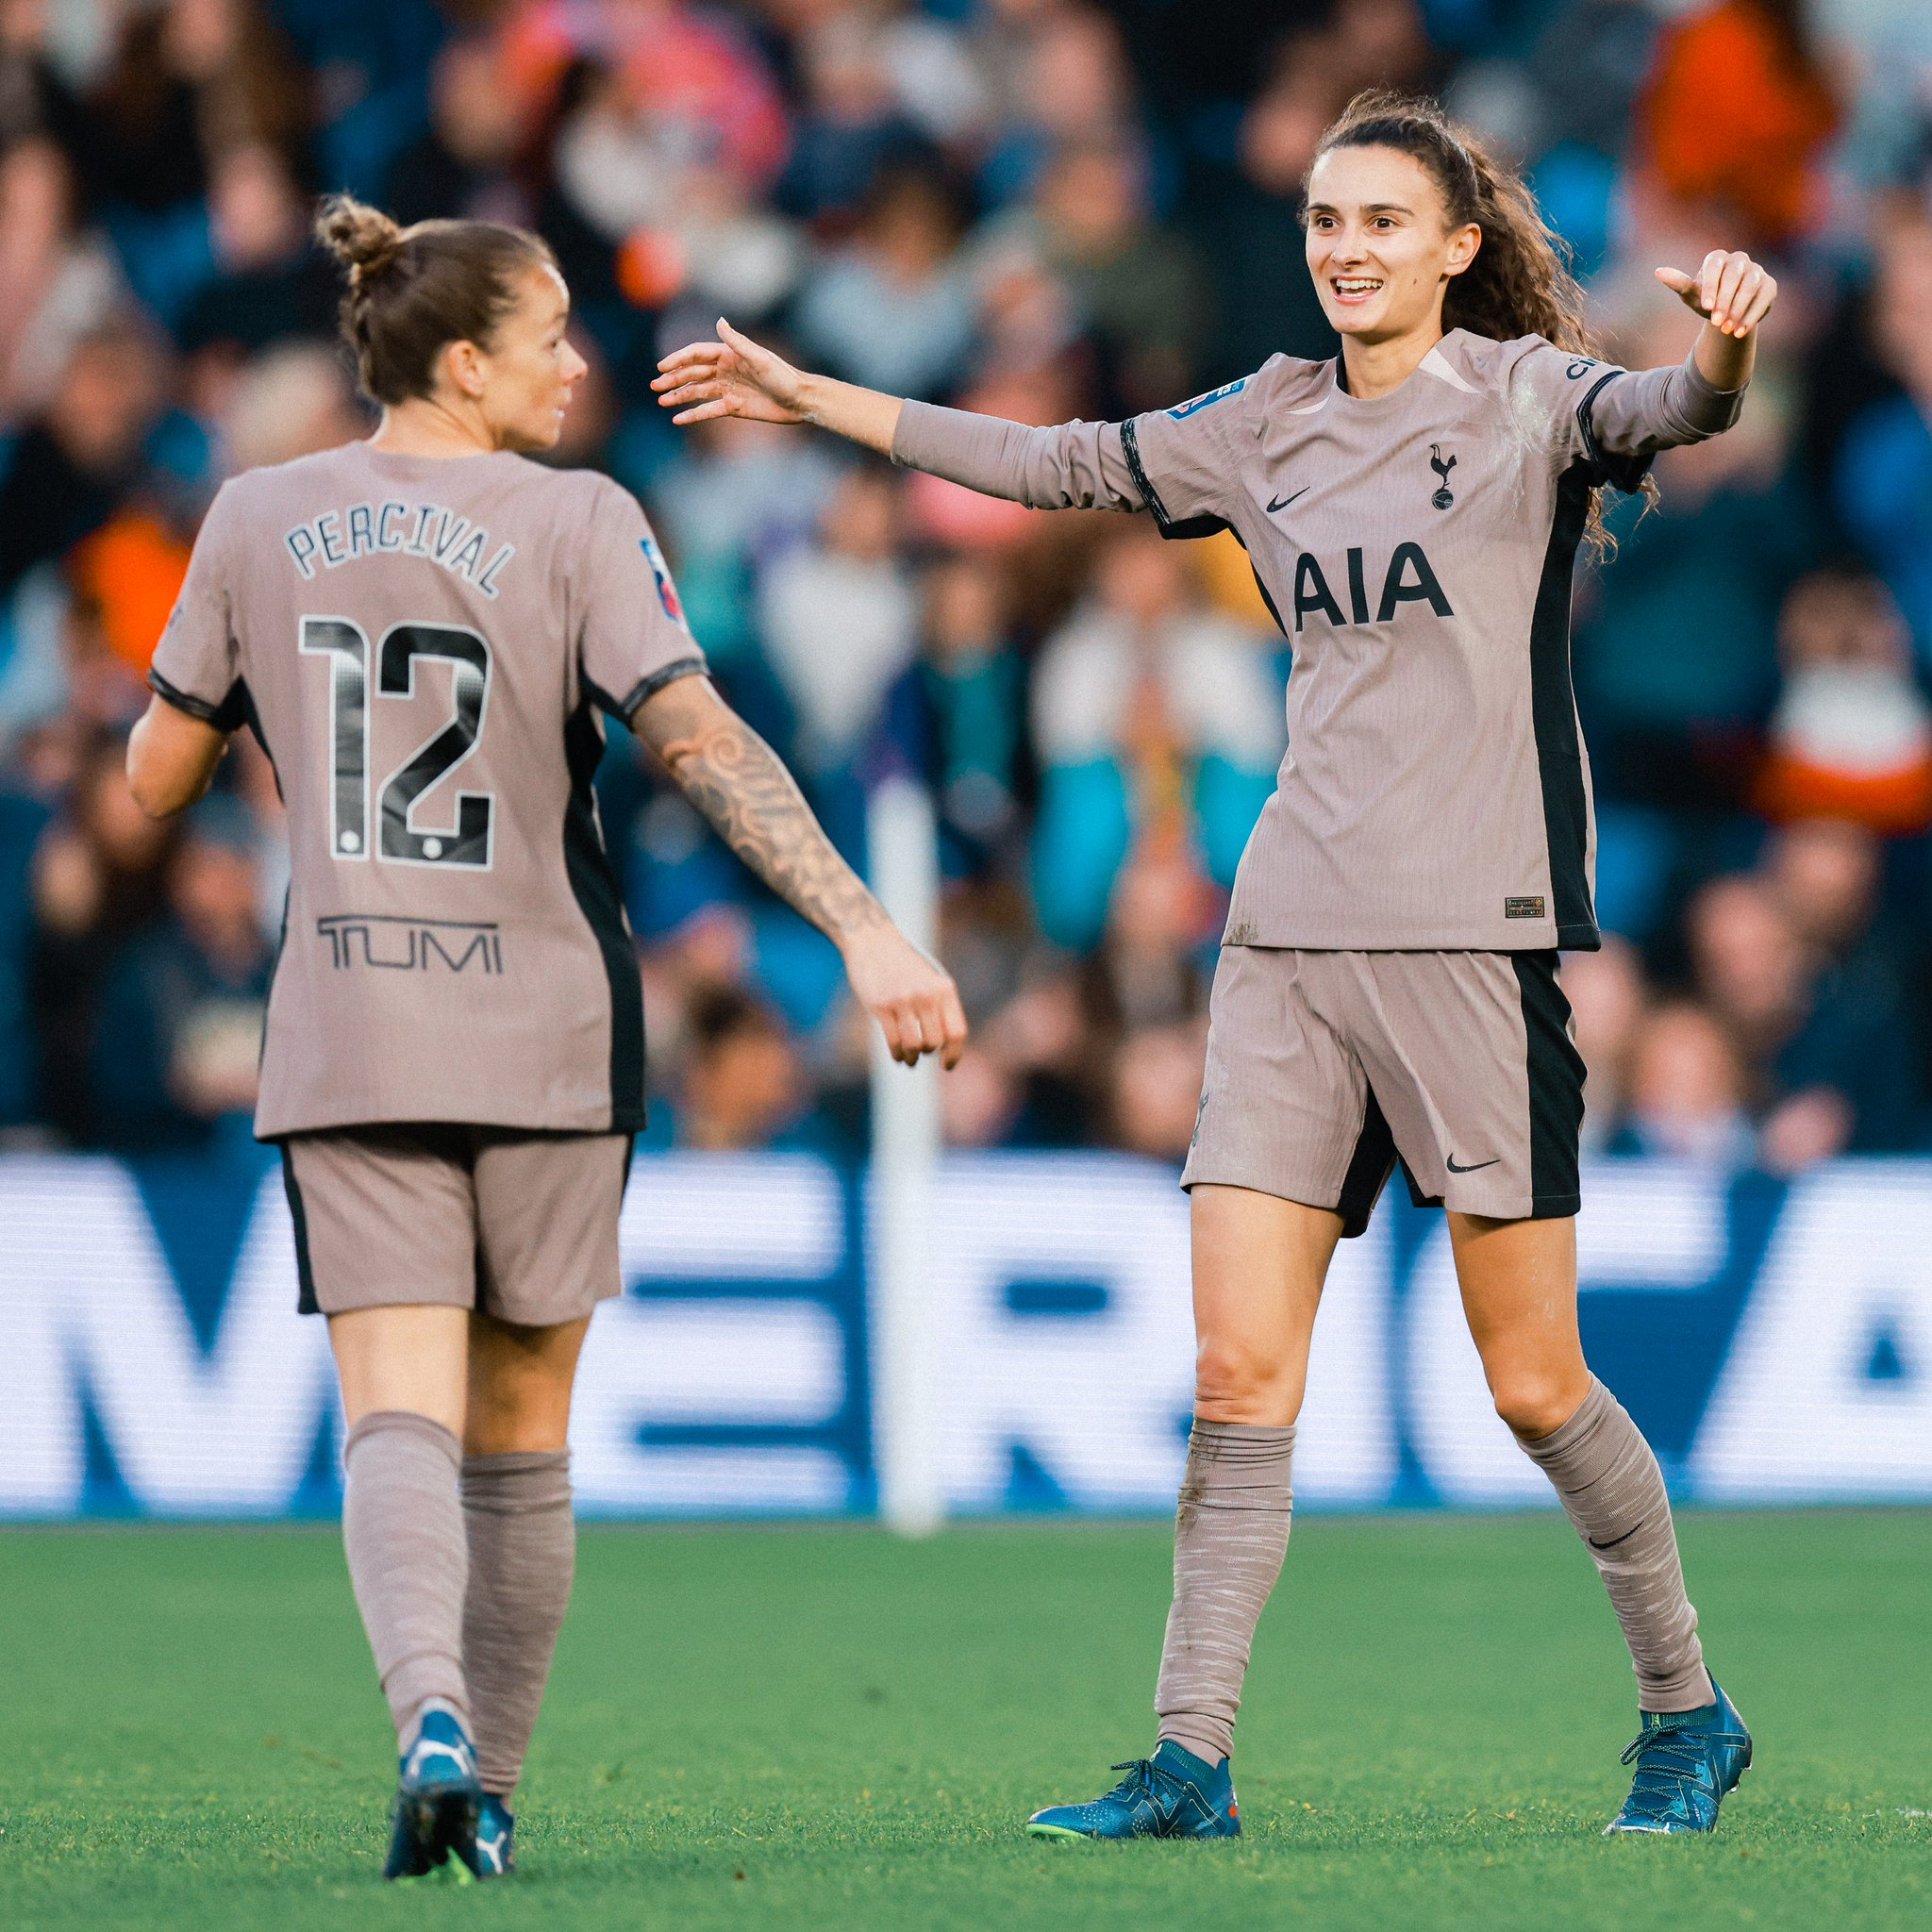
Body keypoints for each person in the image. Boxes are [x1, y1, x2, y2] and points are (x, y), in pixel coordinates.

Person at [655, 88, 1775, 1840]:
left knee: (1534, 1383)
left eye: (1385, 223)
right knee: (1239, 1381)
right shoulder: (1262, 422)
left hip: (1474, 949)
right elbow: (1053, 464)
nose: (1346, 249)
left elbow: (1673, 408)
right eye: (1327, 221)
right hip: (1282, 948)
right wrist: (814, 401)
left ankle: (1687, 1706)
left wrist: (1721, 355)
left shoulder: (1530, 401)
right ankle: (1189, 1760)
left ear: (1459, 246)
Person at [125, 193, 966, 1883]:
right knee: (522, 1443)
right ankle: (486, 1791)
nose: (580, 365)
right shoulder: (582, 522)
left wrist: (234, 738)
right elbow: (702, 745)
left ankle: (425, 1713)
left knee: (394, 1421)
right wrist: (866, 925)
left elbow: (154, 782)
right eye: (551, 336)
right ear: (460, 362)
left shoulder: (250, 514)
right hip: (551, 1037)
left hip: (351, 1026)